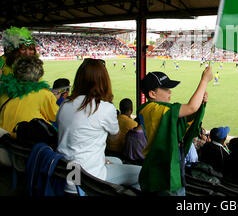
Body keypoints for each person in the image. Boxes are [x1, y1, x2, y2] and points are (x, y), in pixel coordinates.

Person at [56, 58, 141, 193]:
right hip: (87, 180)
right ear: (104, 80)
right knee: (141, 174)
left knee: (117, 161)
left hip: (67, 173)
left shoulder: (64, 104)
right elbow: (114, 137)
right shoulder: (104, 108)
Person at [137, 66, 212, 196]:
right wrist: (204, 81)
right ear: (152, 94)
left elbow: (185, 119)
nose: (170, 92)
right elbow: (191, 107)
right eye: (165, 89)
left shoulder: (157, 110)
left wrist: (200, 104)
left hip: (171, 161)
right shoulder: (153, 109)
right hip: (163, 167)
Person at [0, 56, 58, 138]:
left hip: (5, 140)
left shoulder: (5, 91)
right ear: (39, 75)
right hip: (26, 143)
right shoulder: (44, 94)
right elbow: (57, 117)